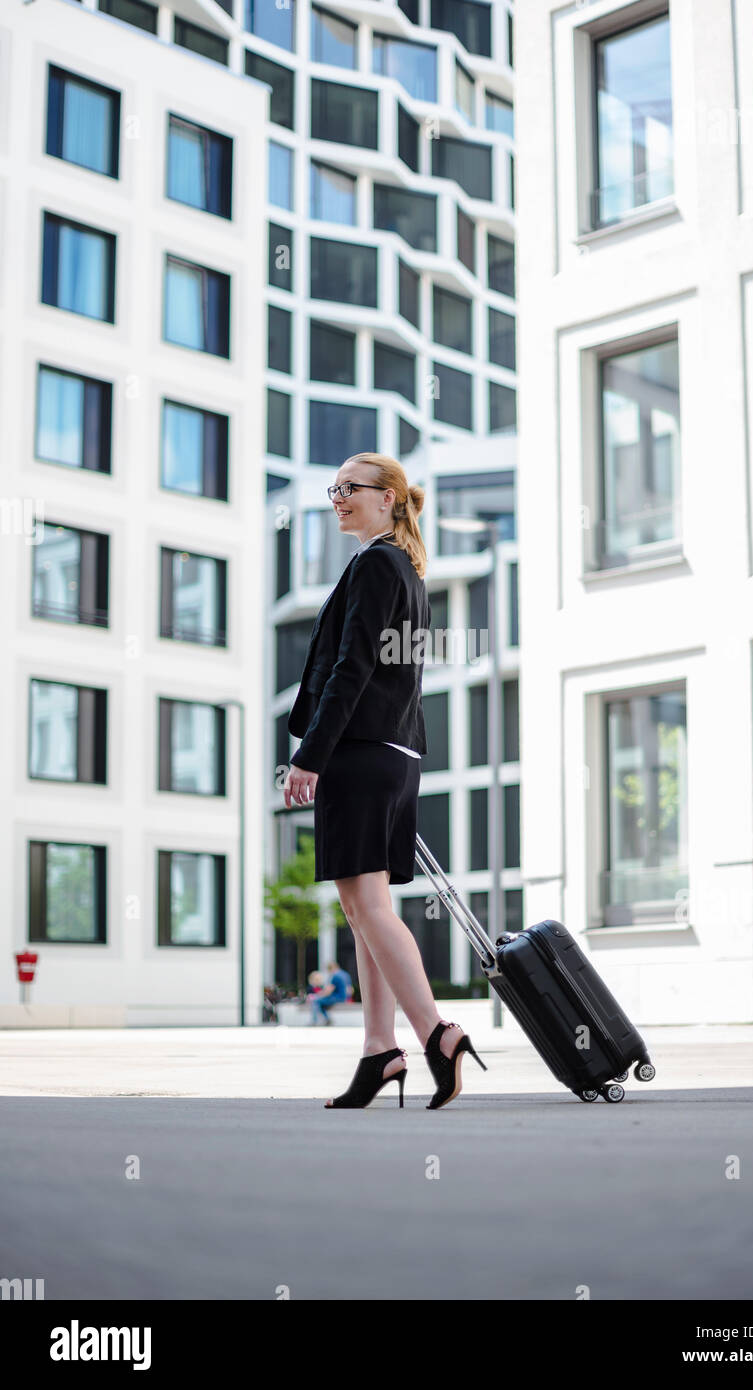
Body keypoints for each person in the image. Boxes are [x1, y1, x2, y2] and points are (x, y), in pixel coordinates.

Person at [283, 452, 488, 1110]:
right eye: (333, 489)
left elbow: (352, 668)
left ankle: (436, 1032)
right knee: (366, 909)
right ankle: (378, 1048)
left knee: (365, 907)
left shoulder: (376, 564)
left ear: (389, 498)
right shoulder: (405, 570)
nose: (337, 498)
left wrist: (310, 755)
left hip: (359, 752)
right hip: (396, 755)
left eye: (351, 488)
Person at [310, 961, 353, 1026]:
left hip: (338, 997)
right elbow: (350, 989)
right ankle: (327, 1020)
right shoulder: (345, 974)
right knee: (321, 1004)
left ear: (332, 968)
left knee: (316, 1001)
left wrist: (318, 995)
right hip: (344, 997)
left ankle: (314, 1022)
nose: (329, 973)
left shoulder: (335, 976)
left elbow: (329, 991)